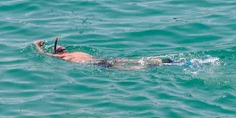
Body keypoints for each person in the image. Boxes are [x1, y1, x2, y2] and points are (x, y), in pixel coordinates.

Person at [33, 40, 173, 69]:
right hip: (95, 63)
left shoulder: (72, 53)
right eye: (60, 47)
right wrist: (37, 46)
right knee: (120, 66)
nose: (62, 47)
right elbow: (45, 55)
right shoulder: (63, 57)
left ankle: (154, 62)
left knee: (119, 61)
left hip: (99, 60)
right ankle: (149, 66)